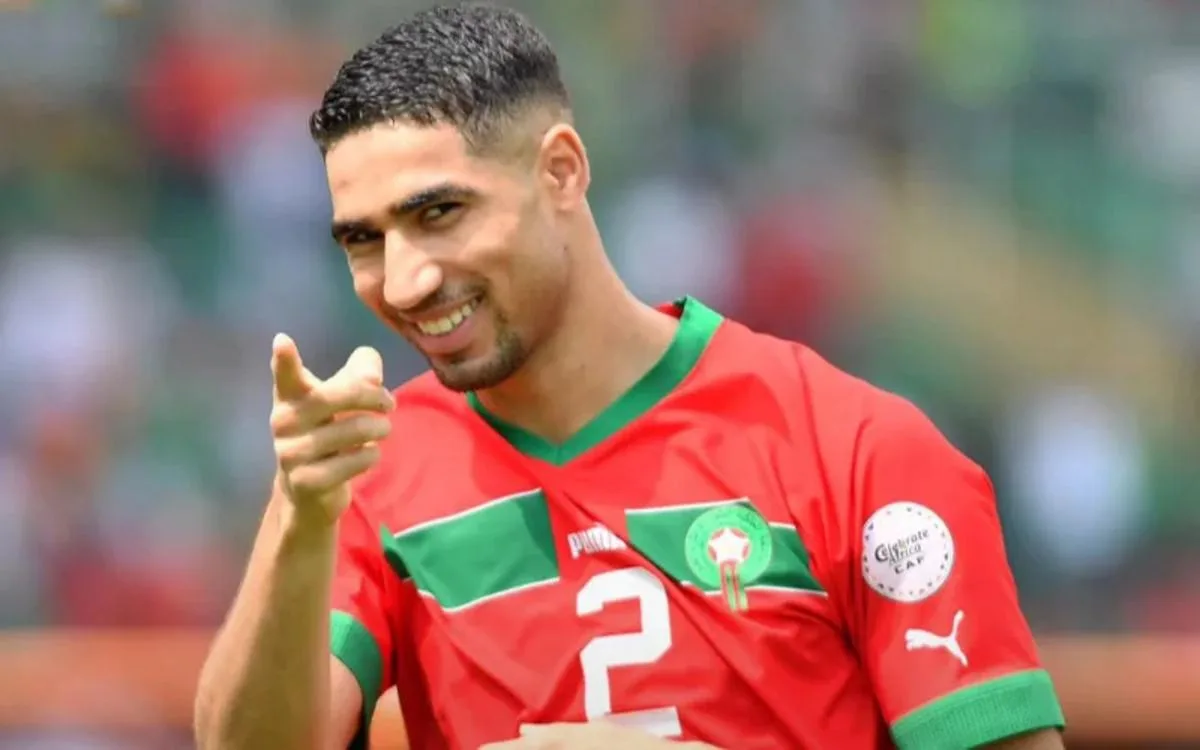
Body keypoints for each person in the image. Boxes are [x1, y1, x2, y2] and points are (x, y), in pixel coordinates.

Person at [193, 4, 1066, 749]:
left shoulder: (860, 451)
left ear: (561, 171)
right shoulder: (367, 476)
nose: (406, 280)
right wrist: (300, 516)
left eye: (441, 213)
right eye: (364, 239)